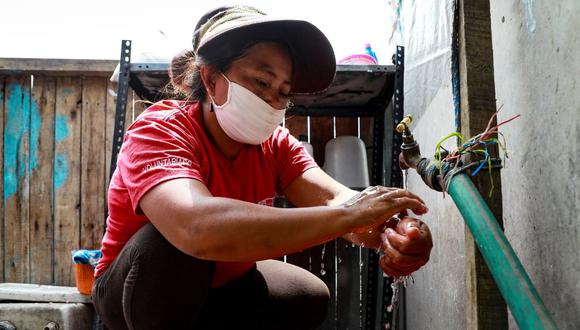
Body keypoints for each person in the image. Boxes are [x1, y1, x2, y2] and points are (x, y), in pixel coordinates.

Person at [92, 5, 433, 330]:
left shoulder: (276, 144)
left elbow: (335, 200)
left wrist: (395, 233)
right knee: (169, 249)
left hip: (218, 284)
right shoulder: (162, 129)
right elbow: (193, 225)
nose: (273, 101)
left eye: (284, 92)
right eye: (261, 82)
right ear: (210, 80)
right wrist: (352, 215)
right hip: (134, 291)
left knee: (306, 297)